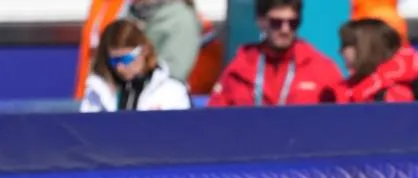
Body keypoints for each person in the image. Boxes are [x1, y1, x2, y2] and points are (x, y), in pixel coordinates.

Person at [207, 0, 345, 107]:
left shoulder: (322, 69)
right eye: (276, 23)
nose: (285, 30)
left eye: (293, 23)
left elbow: (342, 121)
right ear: (260, 22)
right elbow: (213, 121)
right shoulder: (238, 70)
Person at [80, 18, 192, 112]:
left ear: (144, 51)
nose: (119, 67)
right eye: (113, 61)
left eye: (126, 59)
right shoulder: (97, 90)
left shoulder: (172, 91)